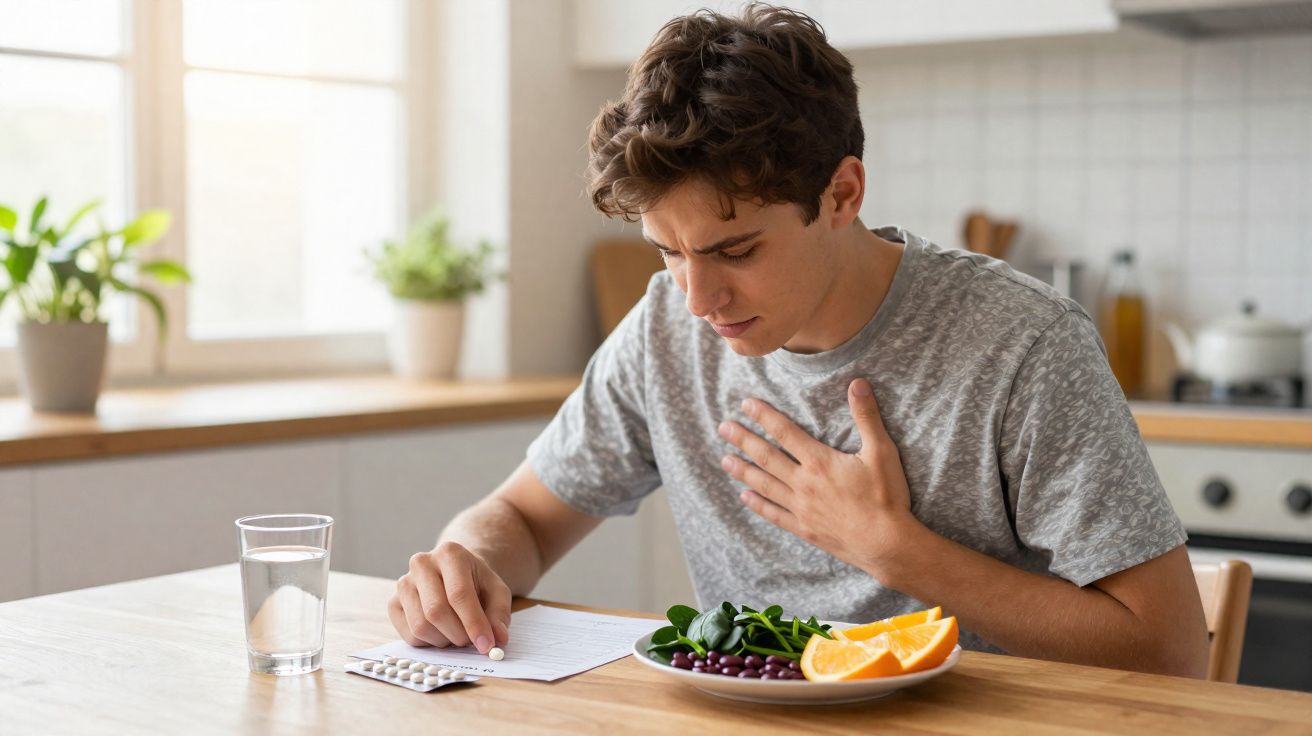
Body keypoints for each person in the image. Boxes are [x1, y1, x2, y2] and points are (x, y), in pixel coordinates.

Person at [388, 4, 1209, 676]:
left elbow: (1169, 655)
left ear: (843, 192)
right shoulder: (664, 330)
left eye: (734, 251)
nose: (699, 297)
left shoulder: (1019, 343)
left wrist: (900, 554)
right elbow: (523, 521)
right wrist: (465, 564)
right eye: (668, 252)